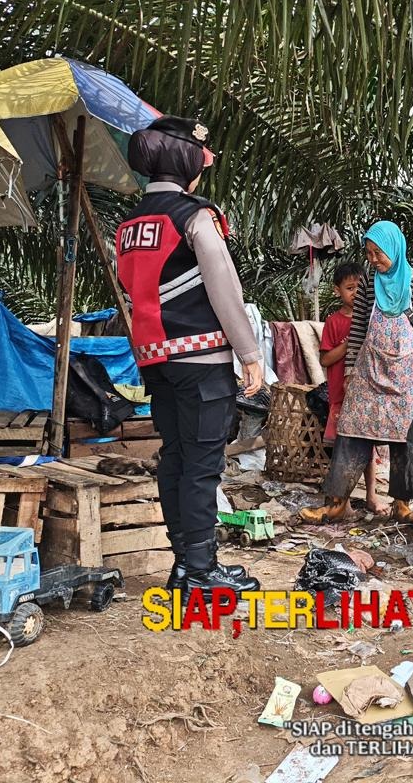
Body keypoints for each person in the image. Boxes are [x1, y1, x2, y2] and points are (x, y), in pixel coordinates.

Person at [114, 115, 263, 601]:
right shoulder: (195, 216)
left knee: (175, 458)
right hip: (201, 360)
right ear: (187, 165)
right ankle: (200, 572)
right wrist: (250, 353)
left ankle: (185, 563)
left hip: (154, 361)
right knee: (202, 465)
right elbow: (224, 288)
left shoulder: (129, 225)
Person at [299, 221, 413, 525]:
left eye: (379, 253)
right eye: (369, 253)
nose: (373, 259)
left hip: (408, 373)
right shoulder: (368, 284)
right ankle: (337, 503)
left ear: (394, 249)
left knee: (405, 437)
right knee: (351, 429)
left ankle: (401, 504)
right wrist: (350, 368)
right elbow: (358, 330)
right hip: (370, 369)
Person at [319, 262, 384, 514]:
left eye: (360, 287)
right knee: (342, 448)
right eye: (349, 288)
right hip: (341, 395)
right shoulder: (334, 322)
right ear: (337, 291)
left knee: (367, 448)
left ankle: (371, 495)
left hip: (367, 395)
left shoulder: (374, 319)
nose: (356, 293)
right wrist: (349, 344)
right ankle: (341, 501)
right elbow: (325, 359)